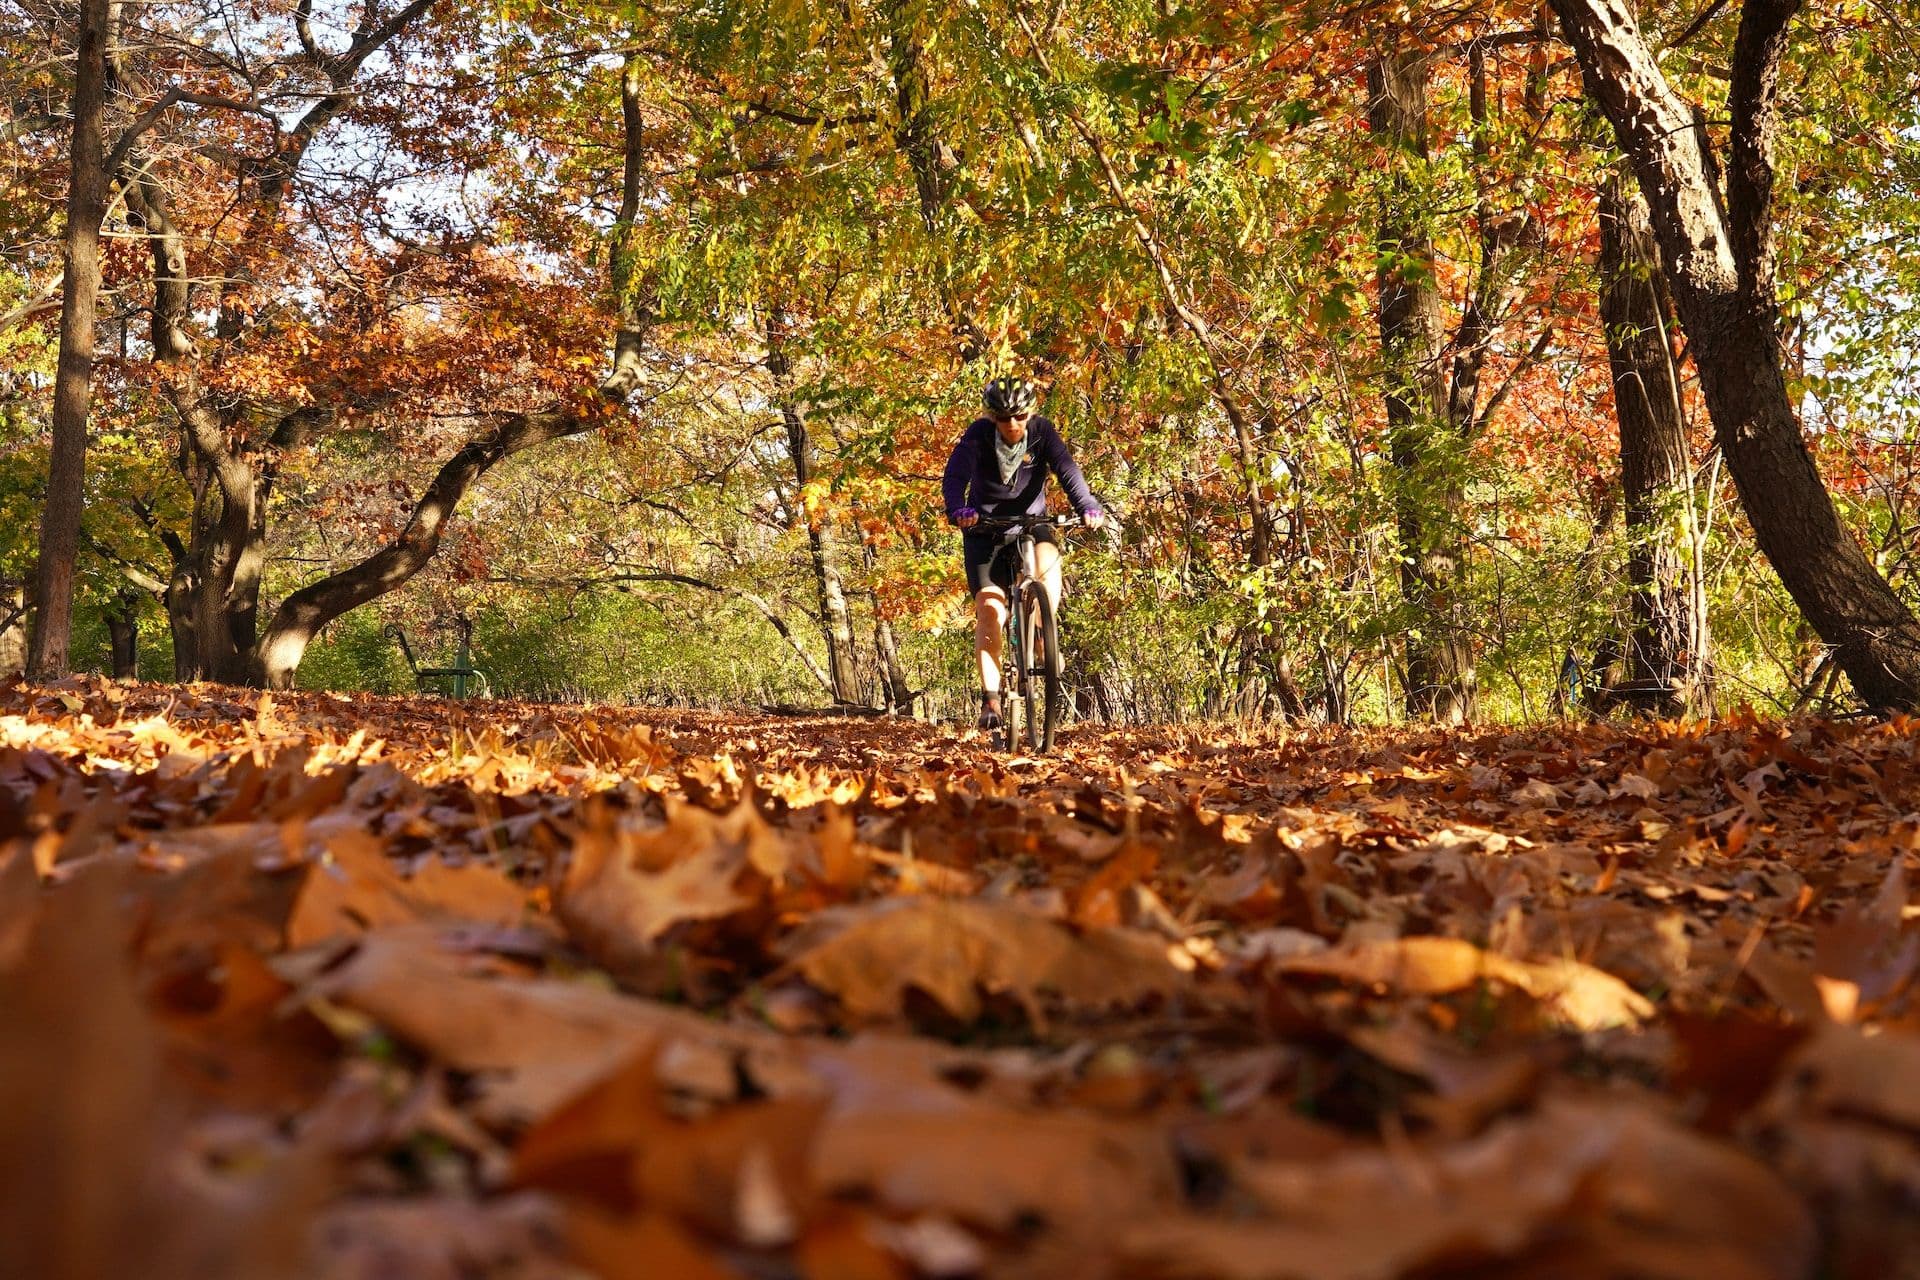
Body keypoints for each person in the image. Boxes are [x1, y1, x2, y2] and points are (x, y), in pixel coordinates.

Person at [942, 376, 1104, 731]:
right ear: (992, 417)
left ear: (1030, 414)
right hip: (984, 530)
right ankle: (991, 700)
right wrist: (958, 509)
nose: (1012, 424)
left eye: (1019, 416)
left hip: (1031, 524)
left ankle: (1043, 631)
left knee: (1047, 562)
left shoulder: (1042, 432)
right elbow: (955, 476)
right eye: (1003, 418)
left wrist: (1087, 506)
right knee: (990, 612)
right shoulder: (979, 435)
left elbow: (1068, 471)